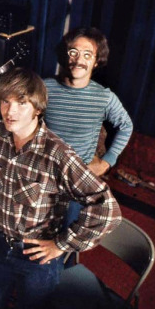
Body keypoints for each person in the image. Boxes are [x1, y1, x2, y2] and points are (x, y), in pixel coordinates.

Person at [0, 68, 122, 309]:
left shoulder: (57, 154)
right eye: (5, 101)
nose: (10, 111)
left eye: (21, 103)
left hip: (39, 260)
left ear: (38, 109)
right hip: (3, 246)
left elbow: (108, 209)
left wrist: (61, 245)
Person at [44, 27, 133, 231]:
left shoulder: (104, 97)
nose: (79, 59)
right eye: (73, 52)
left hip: (79, 180)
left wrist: (107, 161)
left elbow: (126, 126)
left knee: (67, 232)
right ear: (65, 56)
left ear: (96, 61)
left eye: (87, 54)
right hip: (44, 174)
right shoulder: (45, 87)